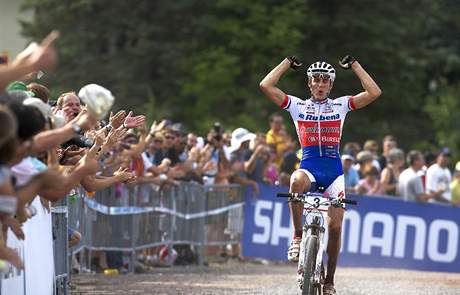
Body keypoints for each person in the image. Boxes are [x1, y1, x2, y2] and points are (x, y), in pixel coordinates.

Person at [259, 54, 382, 294]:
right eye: (316, 79)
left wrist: (355, 65)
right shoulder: (298, 106)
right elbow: (265, 85)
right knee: (295, 179)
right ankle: (296, 236)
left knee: (335, 228)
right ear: (309, 83)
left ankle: (330, 281)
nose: (320, 84)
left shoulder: (341, 105)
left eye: (325, 80)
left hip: (334, 174)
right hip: (309, 169)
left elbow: (374, 92)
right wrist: (286, 63)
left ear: (331, 85)